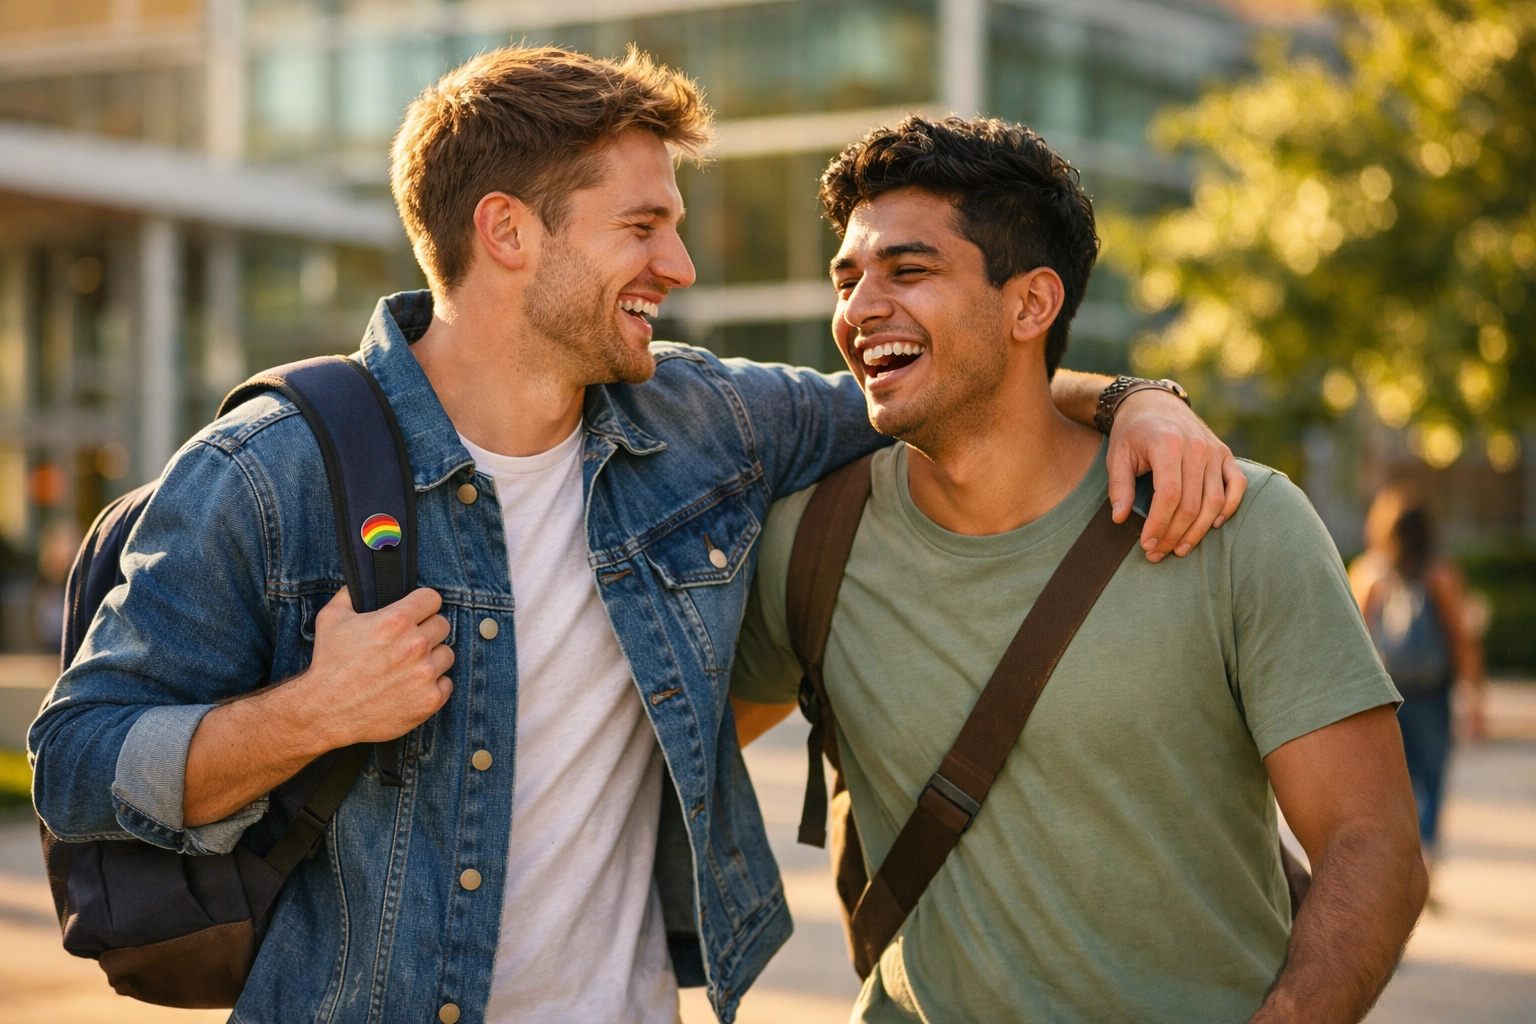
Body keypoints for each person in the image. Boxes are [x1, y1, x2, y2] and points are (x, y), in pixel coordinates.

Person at [30, 50, 1240, 1024]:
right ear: (509, 233)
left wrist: (1140, 402)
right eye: (644, 226)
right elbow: (79, 758)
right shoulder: (265, 472)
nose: (681, 262)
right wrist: (314, 711)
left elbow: (954, 388)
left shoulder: (699, 417)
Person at [729, 115, 1427, 1024]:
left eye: (908, 271)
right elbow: (653, 753)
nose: (860, 310)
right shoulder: (813, 539)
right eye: (849, 277)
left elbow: (1372, 846)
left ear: (1031, 305)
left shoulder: (1235, 523)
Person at [1350, 484, 1485, 869]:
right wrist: (1476, 699)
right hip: (1432, 694)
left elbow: (1352, 642)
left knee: (1394, 784)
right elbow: (1461, 638)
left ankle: (1401, 862)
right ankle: (1425, 856)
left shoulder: (1368, 574)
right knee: (1433, 779)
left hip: (1386, 695)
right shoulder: (1440, 573)